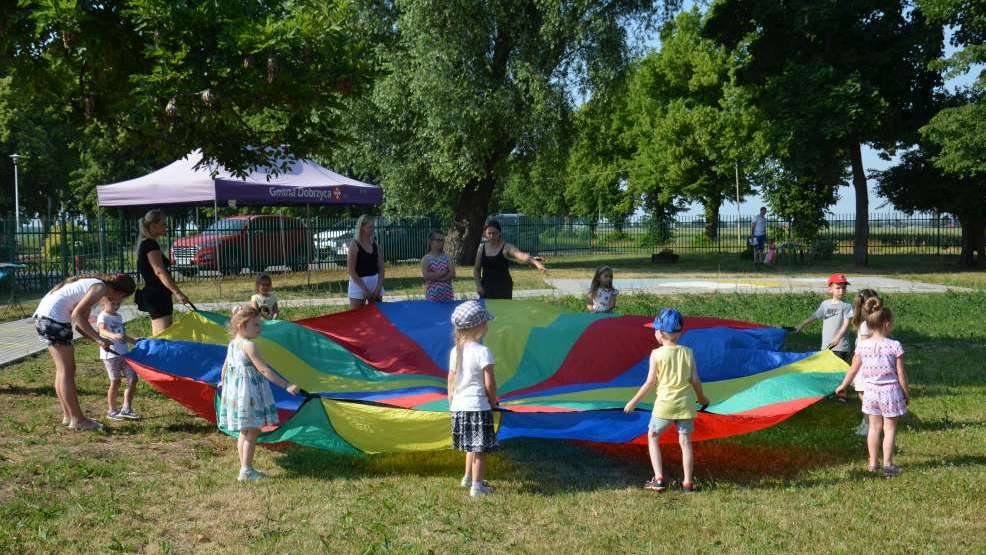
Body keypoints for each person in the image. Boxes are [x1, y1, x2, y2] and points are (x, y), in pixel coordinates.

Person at [33, 273, 137, 431]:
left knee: (63, 371)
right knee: (67, 371)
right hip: (54, 320)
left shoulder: (91, 285)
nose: (119, 301)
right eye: (122, 298)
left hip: (43, 319)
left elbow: (79, 325)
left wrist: (96, 340)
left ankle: (68, 415)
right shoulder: (100, 288)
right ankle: (78, 419)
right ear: (121, 293)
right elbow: (77, 316)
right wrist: (99, 339)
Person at [624, 308, 709, 493]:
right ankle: (687, 483)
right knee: (685, 442)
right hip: (685, 405)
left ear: (660, 333)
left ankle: (659, 478)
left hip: (665, 406)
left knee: (653, 436)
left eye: (655, 330)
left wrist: (633, 402)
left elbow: (649, 383)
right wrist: (702, 398)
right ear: (680, 332)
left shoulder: (656, 354)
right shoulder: (688, 352)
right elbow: (695, 380)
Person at [217, 306, 301, 482]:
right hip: (249, 394)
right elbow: (263, 370)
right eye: (255, 325)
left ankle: (244, 467)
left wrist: (223, 381)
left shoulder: (232, 344)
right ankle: (246, 470)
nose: (259, 328)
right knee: (253, 430)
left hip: (237, 393)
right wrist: (286, 385)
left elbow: (225, 366)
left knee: (244, 431)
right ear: (242, 326)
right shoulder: (249, 346)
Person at [836, 297, 909, 477]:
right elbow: (901, 374)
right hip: (890, 392)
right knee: (889, 429)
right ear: (886, 324)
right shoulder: (894, 346)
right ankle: (888, 465)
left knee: (874, 428)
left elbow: (853, 370)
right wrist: (906, 392)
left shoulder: (863, 346)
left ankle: (872, 463)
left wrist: (843, 385)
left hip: (870, 392)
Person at [448, 301, 498, 497]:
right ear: (478, 326)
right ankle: (477, 487)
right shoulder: (483, 351)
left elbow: (451, 379)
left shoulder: (456, 351)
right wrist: (493, 401)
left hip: (460, 406)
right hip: (478, 406)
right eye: (485, 322)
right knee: (480, 450)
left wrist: (451, 400)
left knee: (471, 445)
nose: (487, 325)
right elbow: (490, 384)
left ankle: (467, 477)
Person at [135, 209, 190, 335]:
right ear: (153, 226)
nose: (166, 226)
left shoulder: (148, 244)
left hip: (158, 294)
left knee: (163, 334)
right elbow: (159, 271)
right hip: (157, 295)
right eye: (163, 224)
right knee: (162, 336)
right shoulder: (150, 245)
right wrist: (178, 293)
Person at [473, 219, 546, 300]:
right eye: (489, 233)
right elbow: (476, 269)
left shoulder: (507, 247)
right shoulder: (481, 248)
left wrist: (536, 263)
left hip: (503, 288)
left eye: (494, 233)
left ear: (499, 233)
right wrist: (478, 286)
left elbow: (521, 255)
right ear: (485, 234)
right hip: (486, 288)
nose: (491, 236)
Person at [97, 296, 140, 421]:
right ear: (103, 303)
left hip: (124, 354)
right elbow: (102, 331)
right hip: (110, 355)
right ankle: (112, 411)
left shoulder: (119, 316)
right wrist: (113, 335)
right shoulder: (103, 316)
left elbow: (123, 334)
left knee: (133, 379)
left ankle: (126, 408)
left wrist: (134, 341)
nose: (116, 306)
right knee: (116, 382)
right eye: (113, 303)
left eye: (118, 303)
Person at [795, 273, 853, 363]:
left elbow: (846, 324)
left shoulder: (847, 306)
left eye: (844, 288)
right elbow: (815, 316)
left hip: (841, 347)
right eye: (838, 288)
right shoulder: (825, 304)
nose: (841, 291)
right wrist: (802, 325)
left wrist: (837, 338)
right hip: (826, 346)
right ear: (830, 290)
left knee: (839, 373)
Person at [850, 288, 881, 436]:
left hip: (865, 367)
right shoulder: (874, 323)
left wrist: (854, 368)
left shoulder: (865, 325)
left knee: (864, 397)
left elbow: (864, 350)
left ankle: (870, 425)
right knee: (864, 397)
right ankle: (866, 422)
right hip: (871, 365)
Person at [347, 215, 385, 310]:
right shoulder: (354, 245)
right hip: (358, 284)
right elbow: (351, 271)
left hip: (375, 284)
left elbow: (381, 268)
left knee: (378, 316)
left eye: (373, 226)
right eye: (370, 227)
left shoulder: (375, 244)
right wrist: (364, 289)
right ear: (362, 228)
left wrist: (378, 288)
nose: (373, 229)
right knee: (356, 318)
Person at [422, 231, 455, 302]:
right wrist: (443, 272)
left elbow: (452, 274)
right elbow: (426, 276)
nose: (441, 242)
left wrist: (440, 279)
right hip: (432, 296)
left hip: (447, 295)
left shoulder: (447, 257)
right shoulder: (426, 259)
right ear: (431, 241)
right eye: (438, 240)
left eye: (443, 240)